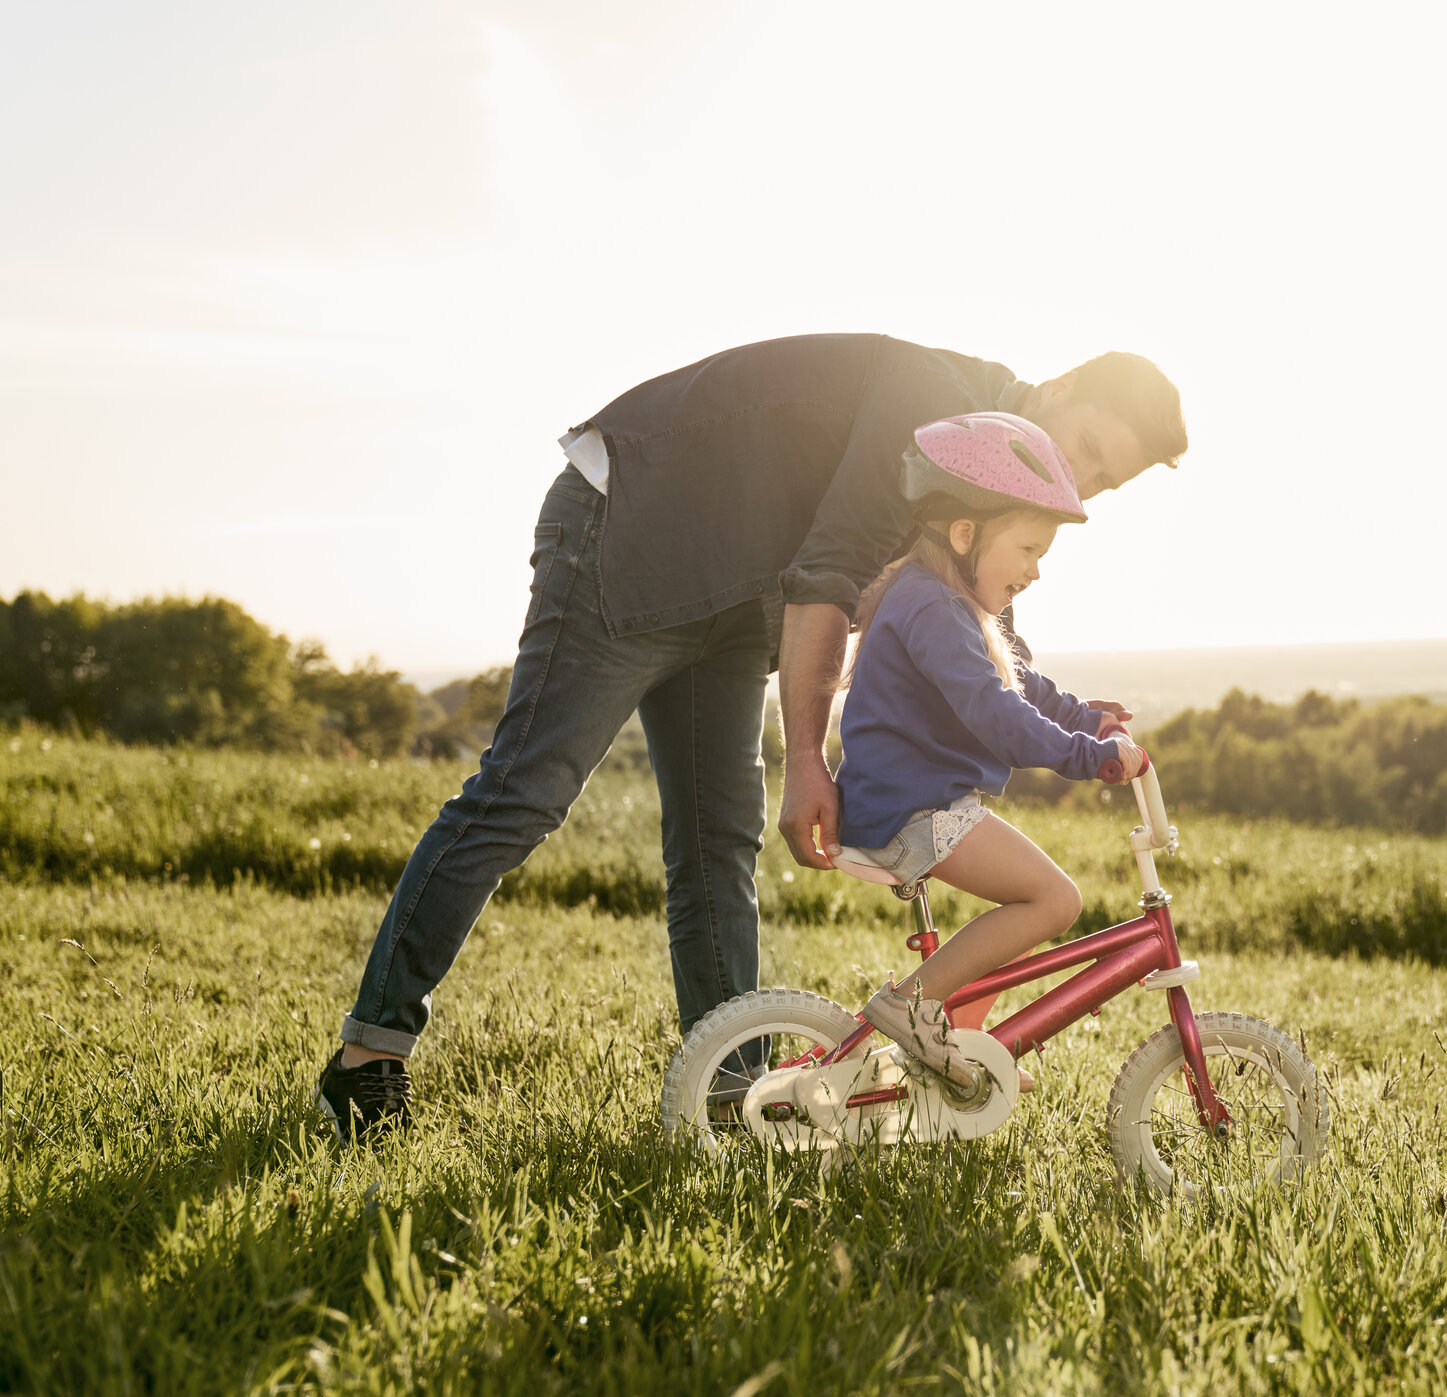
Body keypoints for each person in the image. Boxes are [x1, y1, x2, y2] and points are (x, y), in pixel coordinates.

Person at [316, 335, 1185, 1140]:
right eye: (1089, 447)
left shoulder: (986, 476)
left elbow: (977, 639)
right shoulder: (934, 406)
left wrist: (1073, 713)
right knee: (523, 794)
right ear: (1064, 385)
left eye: (1102, 481)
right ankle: (369, 1055)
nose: (1079, 476)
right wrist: (809, 757)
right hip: (632, 525)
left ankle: (733, 1091)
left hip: (735, 602)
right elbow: (832, 571)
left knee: (717, 836)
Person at [829, 413, 1144, 1091]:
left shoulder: (948, 606)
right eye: (1028, 549)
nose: (1034, 572)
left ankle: (957, 1041)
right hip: (912, 810)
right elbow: (997, 712)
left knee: (1027, 913)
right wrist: (1088, 759)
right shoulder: (933, 609)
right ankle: (910, 1007)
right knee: (1053, 901)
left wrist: (1089, 721)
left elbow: (1022, 686)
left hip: (913, 805)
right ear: (965, 533)